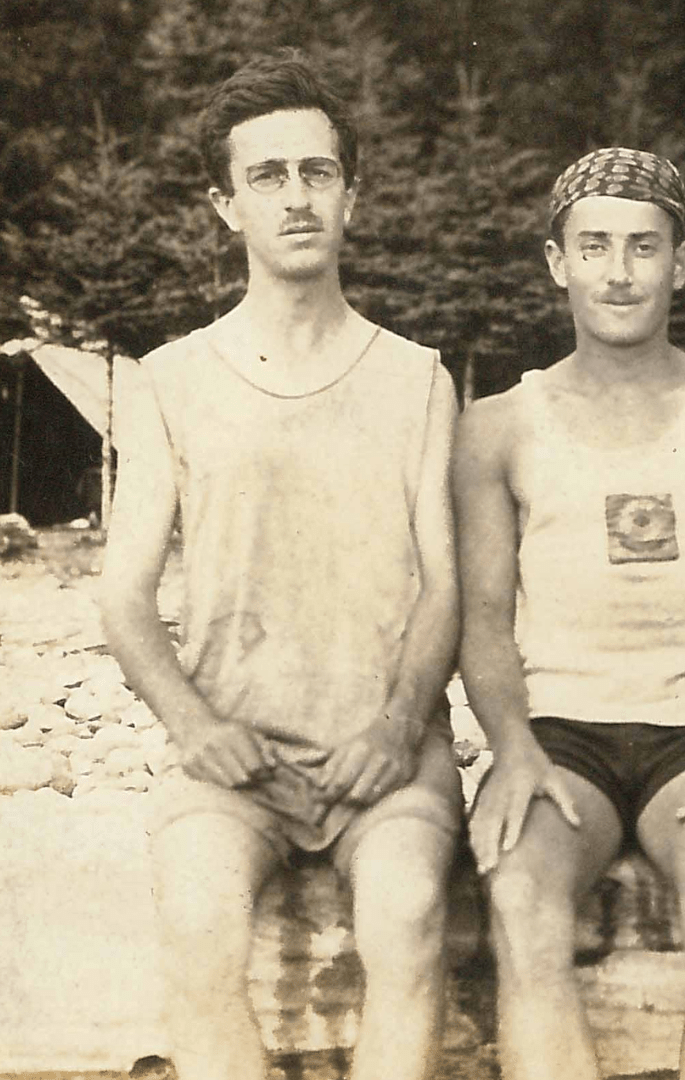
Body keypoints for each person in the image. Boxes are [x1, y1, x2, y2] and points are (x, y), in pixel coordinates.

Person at [99, 50, 462, 1080]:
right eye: (267, 176)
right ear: (226, 206)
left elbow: (448, 580)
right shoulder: (170, 381)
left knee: (407, 916)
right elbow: (123, 598)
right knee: (201, 930)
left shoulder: (416, 378)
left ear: (354, 193)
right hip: (234, 754)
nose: (296, 199)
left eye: (318, 172)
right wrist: (196, 728)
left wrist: (397, 726)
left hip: (383, 756)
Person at [452, 147, 685, 1080]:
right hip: (562, 731)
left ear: (681, 263)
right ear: (555, 262)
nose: (618, 272)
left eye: (644, 247)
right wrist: (515, 746)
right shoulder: (498, 425)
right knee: (524, 893)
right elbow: (485, 617)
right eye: (595, 246)